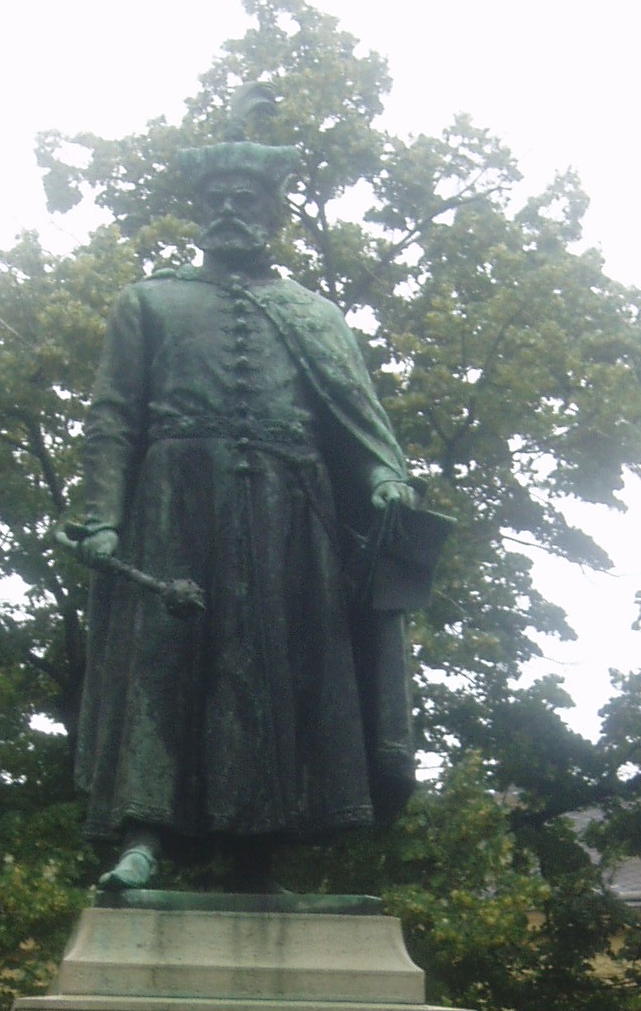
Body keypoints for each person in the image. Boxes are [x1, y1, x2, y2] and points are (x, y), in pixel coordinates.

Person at [70, 109, 424, 893]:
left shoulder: (315, 315)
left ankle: (261, 859)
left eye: (247, 199)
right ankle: (143, 837)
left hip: (289, 511)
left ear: (274, 212)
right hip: (176, 502)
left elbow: (359, 419)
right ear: (200, 210)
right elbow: (112, 419)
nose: (230, 210)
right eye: (217, 199)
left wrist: (384, 478)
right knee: (164, 665)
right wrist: (103, 517)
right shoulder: (148, 302)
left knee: (280, 669)